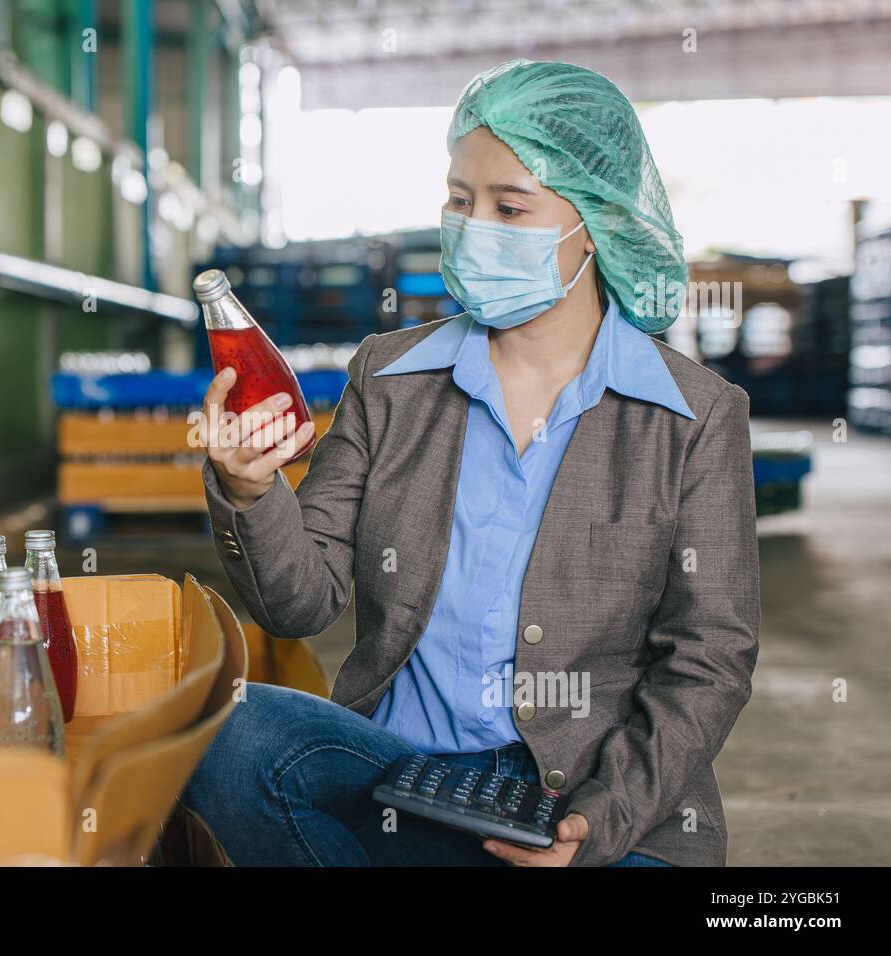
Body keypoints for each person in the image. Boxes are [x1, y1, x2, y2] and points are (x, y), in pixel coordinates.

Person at [182, 59, 759, 867]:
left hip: (593, 796)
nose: (471, 224)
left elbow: (709, 658)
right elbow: (302, 603)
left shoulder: (692, 416)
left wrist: (600, 821)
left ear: (593, 222)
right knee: (230, 737)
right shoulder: (390, 378)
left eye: (509, 206)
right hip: (408, 776)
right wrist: (249, 490)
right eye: (460, 199)